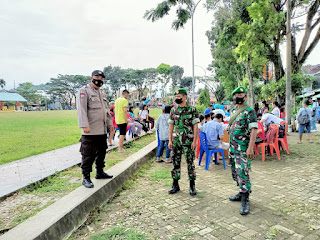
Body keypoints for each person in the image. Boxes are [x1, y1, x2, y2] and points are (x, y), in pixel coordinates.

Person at [76, 70, 113, 188]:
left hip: (102, 130)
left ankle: (100, 172)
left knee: (102, 152)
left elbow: (106, 111)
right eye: (97, 76)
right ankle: (86, 177)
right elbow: (81, 110)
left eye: (102, 78)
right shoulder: (84, 91)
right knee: (88, 155)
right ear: (91, 77)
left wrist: (110, 124)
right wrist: (84, 125)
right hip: (90, 130)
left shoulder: (102, 93)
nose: (99, 79)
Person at [228, 86, 257, 215]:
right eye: (236, 95)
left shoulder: (249, 111)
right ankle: (241, 192)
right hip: (233, 148)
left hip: (243, 148)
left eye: (241, 95)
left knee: (243, 172)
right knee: (235, 172)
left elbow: (254, 130)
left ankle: (245, 200)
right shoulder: (234, 110)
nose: (238, 97)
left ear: (245, 97)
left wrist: (250, 147)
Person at [168, 88, 200, 196]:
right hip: (176, 140)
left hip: (188, 140)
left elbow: (196, 126)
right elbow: (171, 125)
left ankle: (192, 185)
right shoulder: (173, 110)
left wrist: (195, 141)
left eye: (179, 97)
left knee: (190, 163)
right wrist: (170, 140)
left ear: (185, 97)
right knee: (175, 163)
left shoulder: (192, 109)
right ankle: (175, 184)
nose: (177, 98)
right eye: (176, 97)